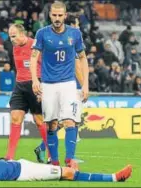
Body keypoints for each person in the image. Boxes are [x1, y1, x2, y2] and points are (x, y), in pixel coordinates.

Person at [29, 2, 89, 169]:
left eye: (60, 15)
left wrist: (85, 85)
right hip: (48, 85)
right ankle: (54, 163)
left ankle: (69, 160)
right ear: (50, 15)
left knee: (70, 121)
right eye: (54, 15)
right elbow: (33, 57)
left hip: (69, 84)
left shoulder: (75, 34)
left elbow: (83, 58)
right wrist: (35, 80)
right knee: (51, 125)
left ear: (65, 15)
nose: (57, 18)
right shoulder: (42, 33)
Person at [0, 137, 132, 182]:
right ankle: (115, 178)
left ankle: (67, 166)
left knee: (67, 172)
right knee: (70, 174)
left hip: (19, 164)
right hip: (24, 173)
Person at [4, 24, 48, 160]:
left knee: (39, 120)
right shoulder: (14, 47)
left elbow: (46, 65)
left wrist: (44, 86)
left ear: (22, 34)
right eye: (10, 36)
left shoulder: (35, 45)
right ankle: (9, 157)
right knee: (15, 118)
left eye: (14, 36)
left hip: (36, 84)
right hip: (20, 85)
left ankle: (52, 156)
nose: (11, 39)